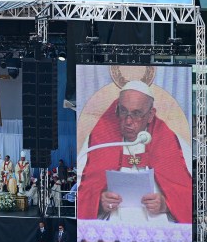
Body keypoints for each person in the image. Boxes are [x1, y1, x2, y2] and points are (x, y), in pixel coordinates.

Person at [78, 80, 191, 224]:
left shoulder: (173, 143)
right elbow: (83, 188)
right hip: (113, 224)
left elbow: (188, 192)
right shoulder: (98, 142)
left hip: (158, 225)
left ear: (150, 115)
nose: (128, 121)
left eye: (136, 113)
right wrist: (99, 202)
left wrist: (166, 205)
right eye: (123, 111)